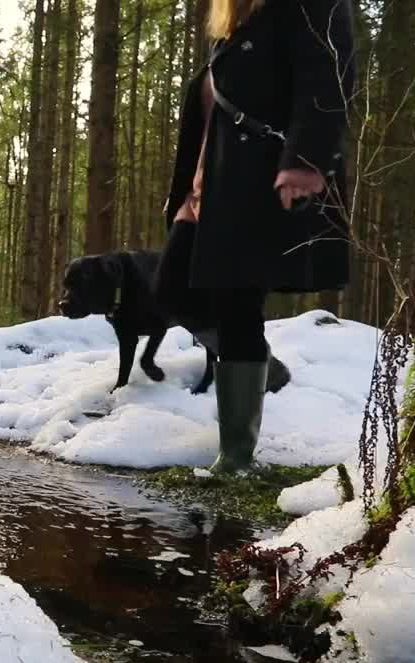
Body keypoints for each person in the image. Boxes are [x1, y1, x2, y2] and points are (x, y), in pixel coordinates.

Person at [155, 0, 356, 475]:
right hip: (213, 186)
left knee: (236, 302)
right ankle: (263, 366)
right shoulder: (233, 22)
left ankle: (236, 457)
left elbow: (329, 77)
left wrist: (305, 159)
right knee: (172, 288)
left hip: (259, 180)